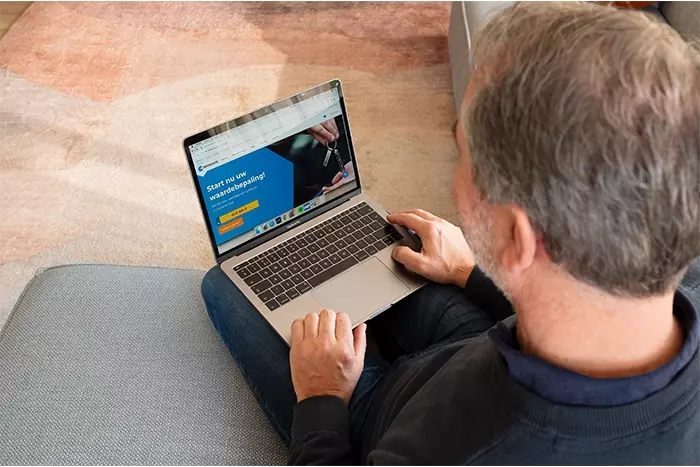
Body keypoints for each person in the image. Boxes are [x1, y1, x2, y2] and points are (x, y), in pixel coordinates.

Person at [201, 1, 700, 465]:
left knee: (225, 283)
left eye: (464, 152)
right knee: (390, 254)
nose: (458, 175)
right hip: (477, 343)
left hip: (388, 414)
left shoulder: (446, 452)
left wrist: (321, 400)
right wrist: (469, 272)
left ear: (518, 238)